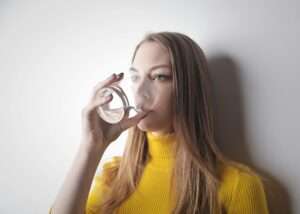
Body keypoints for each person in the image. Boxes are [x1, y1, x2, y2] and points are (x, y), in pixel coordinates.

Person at [49, 32, 269, 214]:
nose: (140, 92)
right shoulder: (113, 174)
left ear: (189, 89)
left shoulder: (238, 186)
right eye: (135, 77)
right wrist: (91, 147)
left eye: (159, 77)